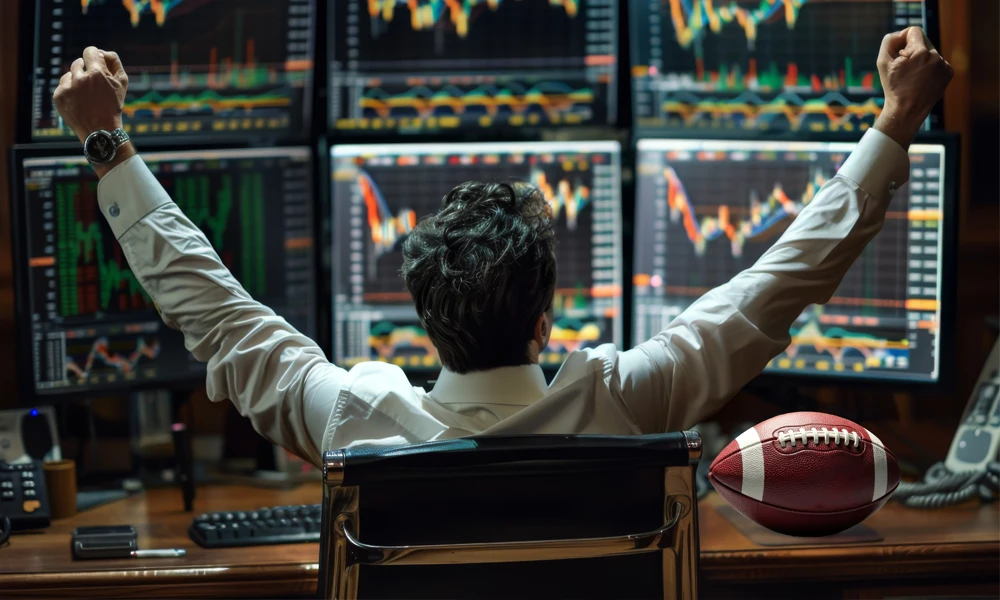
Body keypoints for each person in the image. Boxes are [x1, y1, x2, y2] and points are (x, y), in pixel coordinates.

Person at [51, 28, 953, 466]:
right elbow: (776, 287)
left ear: (425, 318)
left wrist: (108, 144)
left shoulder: (353, 417)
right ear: (546, 318)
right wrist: (897, 121)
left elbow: (212, 311)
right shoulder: (627, 402)